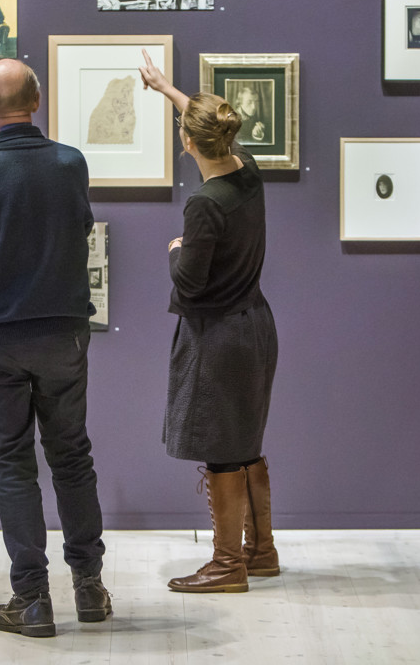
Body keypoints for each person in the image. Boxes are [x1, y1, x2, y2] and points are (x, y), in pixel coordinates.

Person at [0, 59, 111, 638]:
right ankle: (90, 588)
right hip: (62, 331)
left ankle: (32, 599)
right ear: (37, 100)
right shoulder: (70, 163)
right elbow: (81, 228)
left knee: (12, 463)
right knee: (72, 456)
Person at [138, 49, 280, 594]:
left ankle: (226, 565)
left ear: (188, 143)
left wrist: (175, 248)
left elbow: (188, 283)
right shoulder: (247, 174)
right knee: (246, 439)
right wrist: (168, 89)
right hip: (255, 327)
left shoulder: (204, 203)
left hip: (217, 336)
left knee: (222, 446)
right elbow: (213, 126)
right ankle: (259, 551)